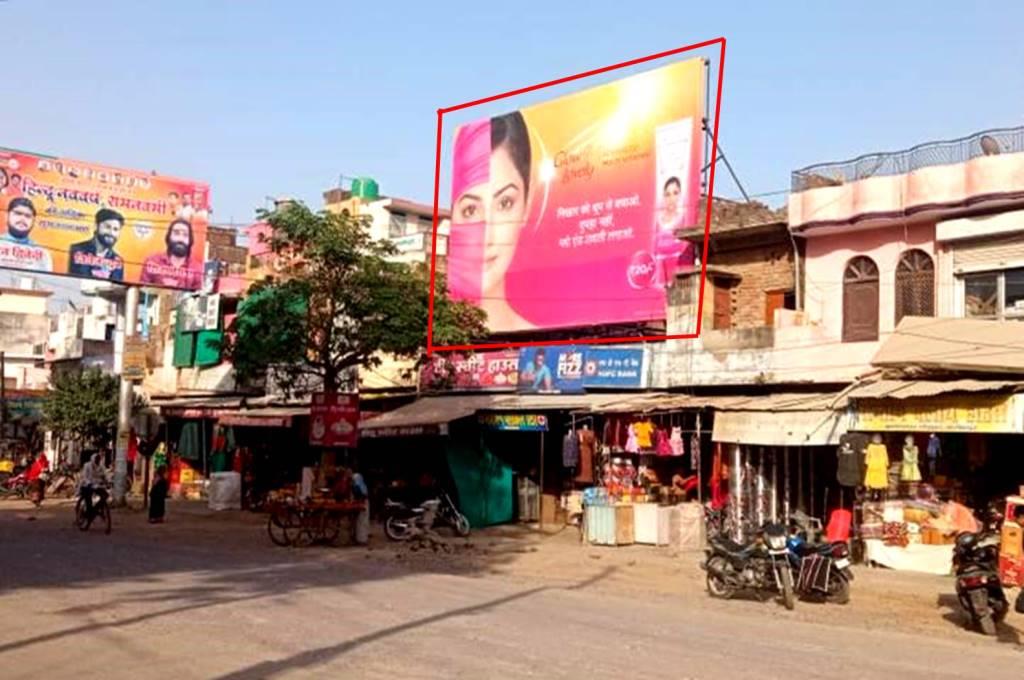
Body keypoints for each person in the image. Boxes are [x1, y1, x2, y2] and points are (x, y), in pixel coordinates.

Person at [449, 112, 533, 330]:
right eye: (470, 210)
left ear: (527, 203)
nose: (486, 237)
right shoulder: (440, 341)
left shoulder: (545, 345)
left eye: (504, 203)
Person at [140, 218, 203, 289]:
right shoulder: (152, 261)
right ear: (169, 237)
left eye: (185, 235)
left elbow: (197, 295)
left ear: (190, 240)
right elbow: (143, 291)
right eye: (176, 233)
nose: (180, 239)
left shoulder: (197, 269)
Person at [68, 208, 126, 281]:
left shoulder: (118, 261)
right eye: (107, 227)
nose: (111, 233)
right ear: (96, 226)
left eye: (115, 229)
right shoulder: (77, 250)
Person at [1, 197, 53, 272]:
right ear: (7, 216)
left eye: (28, 216)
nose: (22, 219)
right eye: (18, 213)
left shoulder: (43, 254)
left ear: (33, 221)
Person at [79, 452, 108, 519]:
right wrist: (89, 483)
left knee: (105, 495)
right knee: (88, 499)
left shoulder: (101, 466)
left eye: (98, 459)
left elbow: (105, 475)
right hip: (86, 485)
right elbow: (84, 477)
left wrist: (107, 481)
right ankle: (88, 513)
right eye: (96, 459)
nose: (97, 461)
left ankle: (96, 508)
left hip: (97, 485)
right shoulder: (87, 465)